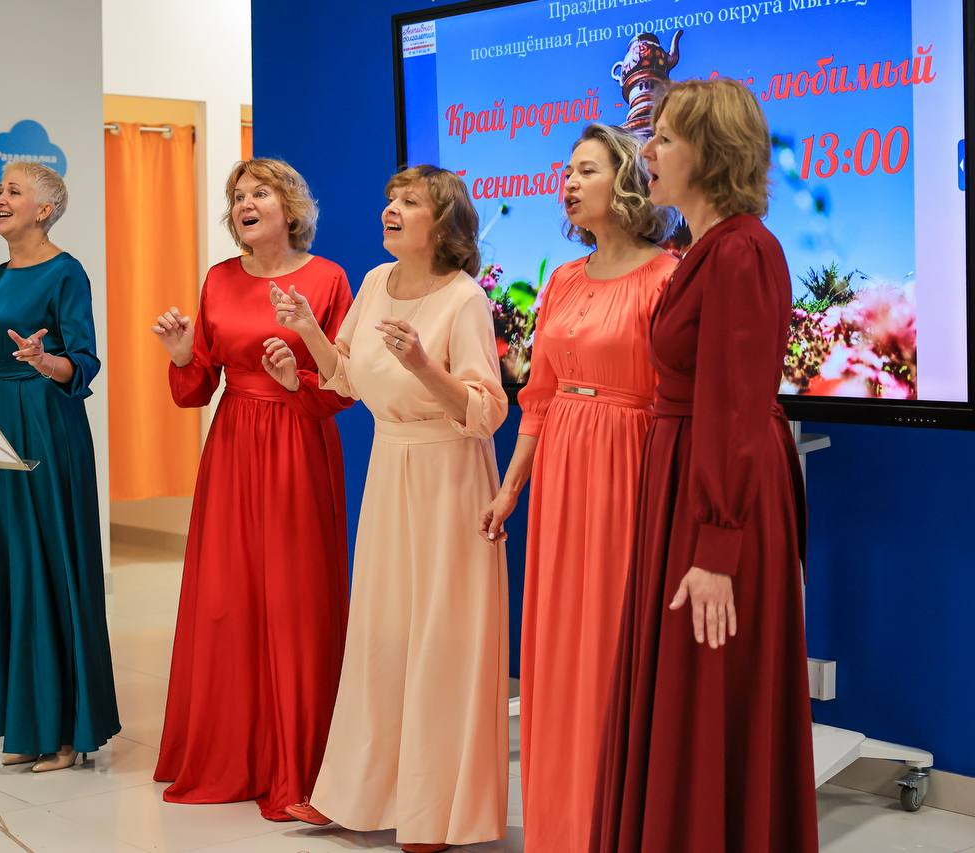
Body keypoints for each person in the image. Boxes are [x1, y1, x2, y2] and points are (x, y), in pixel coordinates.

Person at [590, 79, 818, 852]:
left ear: (711, 153)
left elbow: (736, 402)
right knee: (688, 690)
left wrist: (717, 546)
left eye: (663, 139)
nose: (645, 152)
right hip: (690, 482)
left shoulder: (742, 251)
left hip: (718, 495)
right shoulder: (708, 249)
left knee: (708, 691)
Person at [281, 166, 508, 853]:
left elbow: (487, 410)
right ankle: (356, 793)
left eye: (410, 201)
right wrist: (306, 330)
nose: (392, 208)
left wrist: (424, 367)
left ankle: (433, 813)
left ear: (443, 224)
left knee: (441, 640)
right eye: (390, 198)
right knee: (381, 633)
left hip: (449, 475)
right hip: (389, 468)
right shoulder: (377, 281)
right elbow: (346, 377)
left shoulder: (465, 298)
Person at [479, 124, 677, 852]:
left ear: (624, 181)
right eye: (566, 171)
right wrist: (511, 488)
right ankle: (561, 828)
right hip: (563, 463)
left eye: (585, 170)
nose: (567, 182)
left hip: (629, 463)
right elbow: (538, 396)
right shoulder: (562, 278)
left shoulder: (669, 275)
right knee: (559, 645)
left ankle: (614, 824)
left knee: (614, 639)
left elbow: (674, 396)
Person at [151, 158, 353, 820]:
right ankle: (229, 752)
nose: (245, 202)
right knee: (226, 598)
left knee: (295, 599)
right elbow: (198, 387)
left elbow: (345, 382)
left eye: (259, 192)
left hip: (298, 442)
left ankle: (298, 763)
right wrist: (184, 355)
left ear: (289, 207)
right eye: (238, 195)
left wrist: (299, 379)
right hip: (233, 444)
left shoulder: (327, 279)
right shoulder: (218, 279)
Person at [0, 162, 120, 773]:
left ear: (45, 209)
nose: (0, 198)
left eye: (13, 191)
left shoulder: (66, 271)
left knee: (51, 565)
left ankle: (66, 731)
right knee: (12, 565)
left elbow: (84, 361)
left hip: (47, 426)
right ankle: (26, 720)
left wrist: (47, 363)